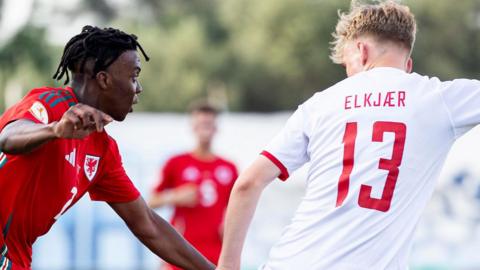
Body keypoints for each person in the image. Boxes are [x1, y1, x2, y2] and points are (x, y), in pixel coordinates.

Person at [217, 1, 480, 270]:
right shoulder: (438, 99)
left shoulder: (319, 105)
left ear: (361, 51)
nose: (347, 72)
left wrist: (227, 265)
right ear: (408, 64)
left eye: (346, 64)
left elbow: (247, 184)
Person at [0, 25, 215, 270]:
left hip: (17, 254)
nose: (139, 88)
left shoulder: (103, 150)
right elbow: (8, 137)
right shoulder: (50, 103)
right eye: (134, 76)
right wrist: (54, 130)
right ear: (104, 79)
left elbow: (147, 224)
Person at [148, 102, 238, 270]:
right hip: (180, 251)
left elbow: (239, 206)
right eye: (201, 124)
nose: (205, 129)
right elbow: (151, 201)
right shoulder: (176, 163)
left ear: (216, 128)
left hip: (216, 252)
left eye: (209, 124)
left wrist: (231, 224)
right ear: (193, 127)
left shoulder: (229, 168)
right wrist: (175, 196)